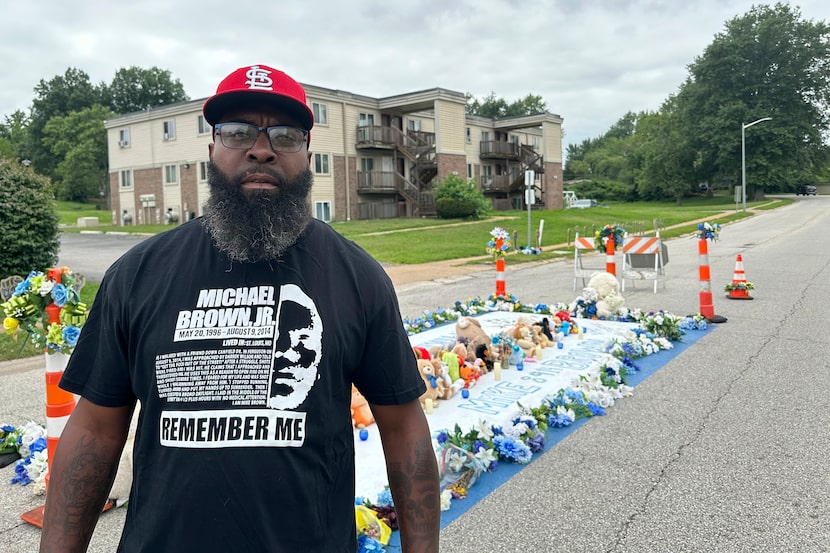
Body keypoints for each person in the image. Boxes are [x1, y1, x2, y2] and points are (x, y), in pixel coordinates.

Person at [40, 64, 440, 553]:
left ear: (307, 153)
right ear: (212, 149)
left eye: (285, 135)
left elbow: (403, 428)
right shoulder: (139, 274)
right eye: (238, 131)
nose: (261, 147)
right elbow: (97, 430)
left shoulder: (357, 278)